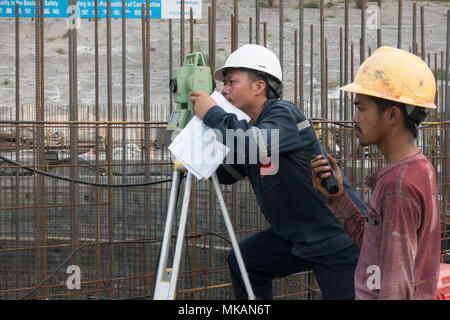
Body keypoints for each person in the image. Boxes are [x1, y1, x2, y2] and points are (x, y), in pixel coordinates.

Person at [189, 44, 366, 300]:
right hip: (296, 237)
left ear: (259, 86)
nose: (224, 90)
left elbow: (254, 143)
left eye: (231, 82)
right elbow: (227, 174)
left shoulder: (282, 113)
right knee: (245, 261)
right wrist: (193, 153)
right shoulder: (252, 127)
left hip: (334, 238)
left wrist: (212, 114)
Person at [311, 46, 441, 299]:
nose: (355, 117)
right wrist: (339, 199)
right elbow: (377, 246)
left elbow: (396, 285)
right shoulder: (418, 168)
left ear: (392, 115)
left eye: (361, 108)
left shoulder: (398, 185)